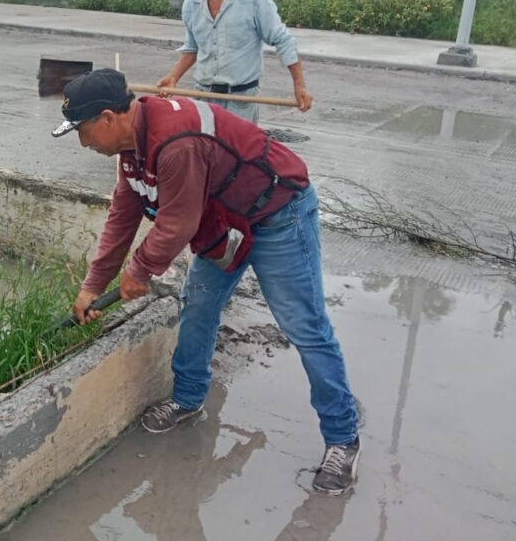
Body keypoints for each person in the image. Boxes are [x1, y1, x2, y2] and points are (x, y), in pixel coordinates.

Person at [54, 68, 360, 494]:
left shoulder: (175, 142)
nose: (83, 143)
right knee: (197, 306)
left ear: (108, 117)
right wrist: (93, 284)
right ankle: (188, 397)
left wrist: (138, 271)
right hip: (224, 221)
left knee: (303, 326)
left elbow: (176, 224)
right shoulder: (131, 146)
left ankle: (343, 438)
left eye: (83, 132)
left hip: (278, 213)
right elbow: (124, 212)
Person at [159, 0, 311, 124]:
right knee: (204, 152)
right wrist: (173, 77)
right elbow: (193, 48)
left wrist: (299, 85)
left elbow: (283, 40)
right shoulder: (192, 4)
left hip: (241, 102)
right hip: (203, 98)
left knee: (238, 153)